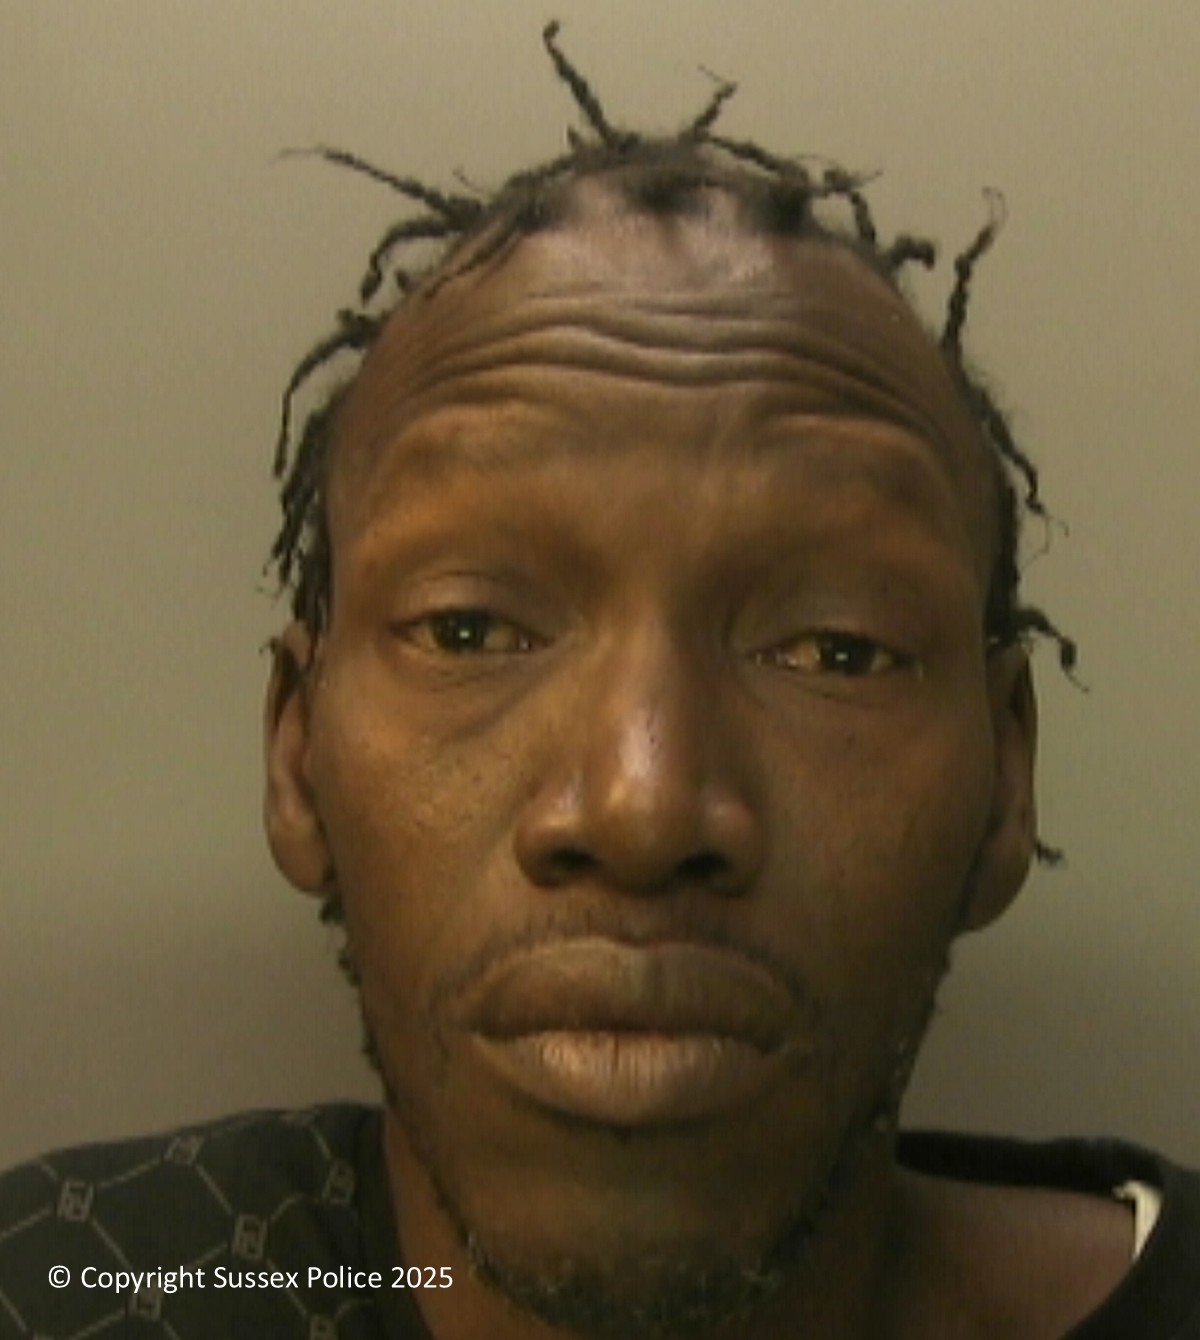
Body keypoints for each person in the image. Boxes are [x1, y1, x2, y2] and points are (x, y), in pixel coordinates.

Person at [2, 23, 1197, 1340]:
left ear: (1006, 778)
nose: (642, 810)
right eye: (469, 630)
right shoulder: (67, 1284)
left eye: (837, 650)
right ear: (296, 759)